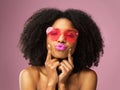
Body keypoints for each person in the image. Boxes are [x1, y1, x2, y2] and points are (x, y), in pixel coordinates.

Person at [19, 8, 104, 90]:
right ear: (42, 38)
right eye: (54, 33)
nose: (61, 39)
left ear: (80, 41)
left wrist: (62, 85)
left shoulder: (88, 77)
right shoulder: (28, 75)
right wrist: (51, 83)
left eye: (70, 35)